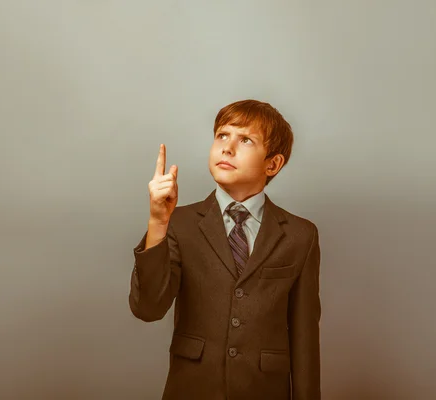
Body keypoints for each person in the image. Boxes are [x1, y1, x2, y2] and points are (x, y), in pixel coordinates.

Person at [129, 99, 321, 399]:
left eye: (245, 140)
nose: (227, 148)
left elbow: (305, 337)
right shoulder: (179, 223)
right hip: (193, 389)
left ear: (273, 163)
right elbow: (148, 308)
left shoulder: (300, 235)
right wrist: (157, 222)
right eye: (222, 135)